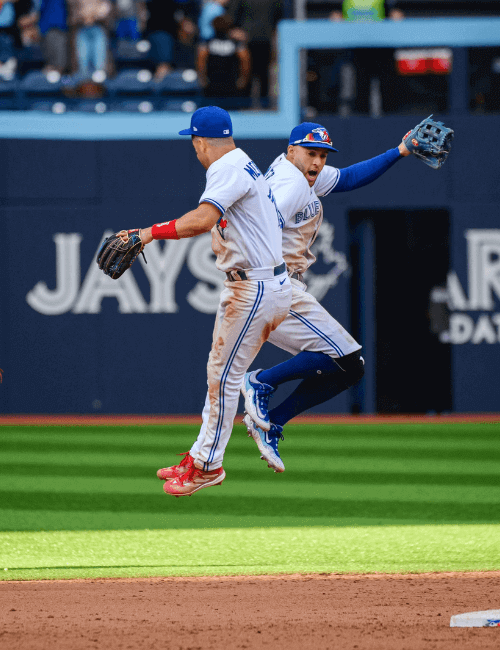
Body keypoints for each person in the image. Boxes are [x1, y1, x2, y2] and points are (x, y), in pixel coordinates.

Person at [127, 106, 292, 497]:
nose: (196, 151)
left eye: (194, 143)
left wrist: (147, 233)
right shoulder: (243, 163)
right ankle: (202, 454)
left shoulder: (226, 168)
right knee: (221, 374)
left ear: (201, 141)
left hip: (254, 286)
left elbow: (201, 220)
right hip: (261, 282)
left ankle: (208, 466)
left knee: (223, 377)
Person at [239, 122, 414, 471]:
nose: (317, 162)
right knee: (346, 356)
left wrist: (400, 152)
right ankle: (260, 381)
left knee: (350, 369)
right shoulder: (290, 183)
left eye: (321, 155)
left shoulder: (298, 171)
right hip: (275, 286)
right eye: (310, 153)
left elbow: (348, 178)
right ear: (292, 151)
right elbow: (263, 225)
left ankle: (273, 422)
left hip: (273, 286)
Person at [197, 14, 249, 100]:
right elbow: (245, 61)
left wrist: (202, 78)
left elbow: (201, 61)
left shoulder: (207, 43)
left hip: (214, 85)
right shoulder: (236, 44)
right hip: (228, 86)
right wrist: (243, 79)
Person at [68, 0, 112, 75]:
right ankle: (83, 77)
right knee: (83, 59)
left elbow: (106, 8)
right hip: (81, 28)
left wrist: (93, 15)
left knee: (99, 61)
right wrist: (83, 15)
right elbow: (72, 9)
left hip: (98, 27)